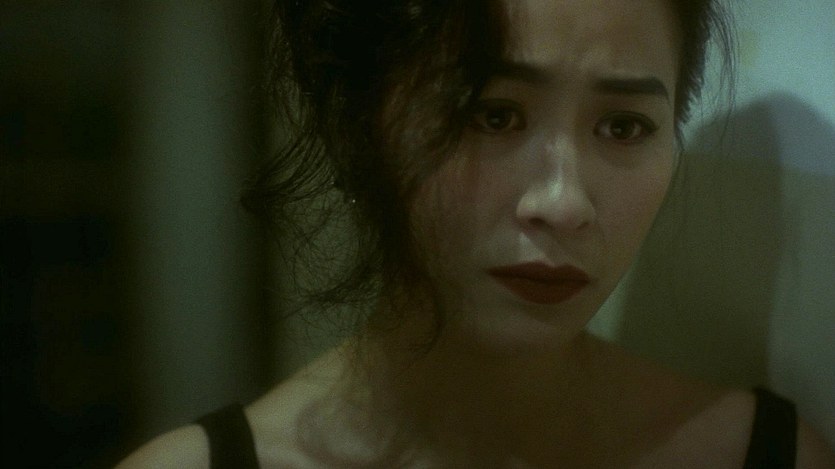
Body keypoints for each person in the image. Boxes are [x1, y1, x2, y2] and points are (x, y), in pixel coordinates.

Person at [118, 0, 835, 467]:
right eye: (492, 115)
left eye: (623, 126)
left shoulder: (759, 454)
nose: (563, 204)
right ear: (357, 125)